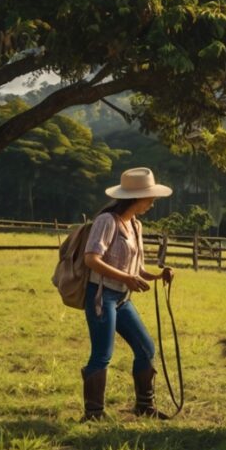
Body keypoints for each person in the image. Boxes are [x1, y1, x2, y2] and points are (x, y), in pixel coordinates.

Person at [80, 167, 175, 421]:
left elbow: (137, 269)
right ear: (136, 198)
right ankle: (93, 414)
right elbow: (91, 259)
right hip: (102, 296)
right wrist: (126, 279)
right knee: (102, 355)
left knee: (146, 348)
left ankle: (144, 406)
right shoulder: (106, 221)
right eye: (149, 197)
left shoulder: (136, 225)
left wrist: (158, 276)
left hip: (122, 299)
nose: (152, 202)